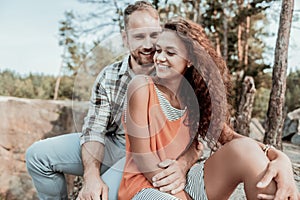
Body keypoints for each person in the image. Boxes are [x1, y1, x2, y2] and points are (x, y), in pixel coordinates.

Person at [25, 1, 298, 200]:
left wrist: (279, 157)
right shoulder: (118, 79)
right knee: (41, 156)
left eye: (156, 39)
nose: (151, 50)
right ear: (125, 38)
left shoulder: (187, 87)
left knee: (250, 154)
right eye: (139, 38)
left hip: (162, 162)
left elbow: (224, 135)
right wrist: (92, 176)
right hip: (124, 152)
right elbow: (96, 131)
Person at [118, 17, 300, 200]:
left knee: (245, 150)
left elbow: (231, 138)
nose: (160, 58)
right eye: (158, 50)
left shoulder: (194, 97)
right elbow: (143, 159)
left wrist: (279, 157)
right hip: (147, 185)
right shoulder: (141, 87)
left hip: (186, 179)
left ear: (189, 60)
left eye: (170, 53)